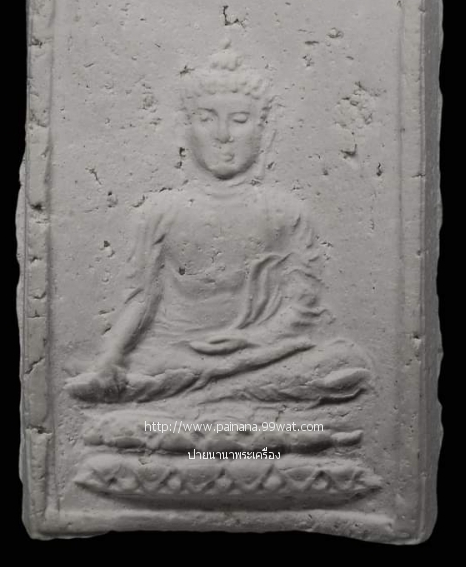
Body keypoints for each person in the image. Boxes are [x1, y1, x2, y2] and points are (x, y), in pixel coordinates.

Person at [68, 47, 370, 405]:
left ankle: (196, 391)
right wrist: (111, 356)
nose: (222, 134)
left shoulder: (286, 212)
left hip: (261, 351)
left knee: (344, 358)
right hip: (175, 351)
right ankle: (223, 389)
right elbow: (139, 299)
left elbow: (302, 307)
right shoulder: (160, 212)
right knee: (140, 365)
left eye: (239, 120)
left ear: (264, 131)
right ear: (185, 129)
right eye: (206, 119)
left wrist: (251, 340)